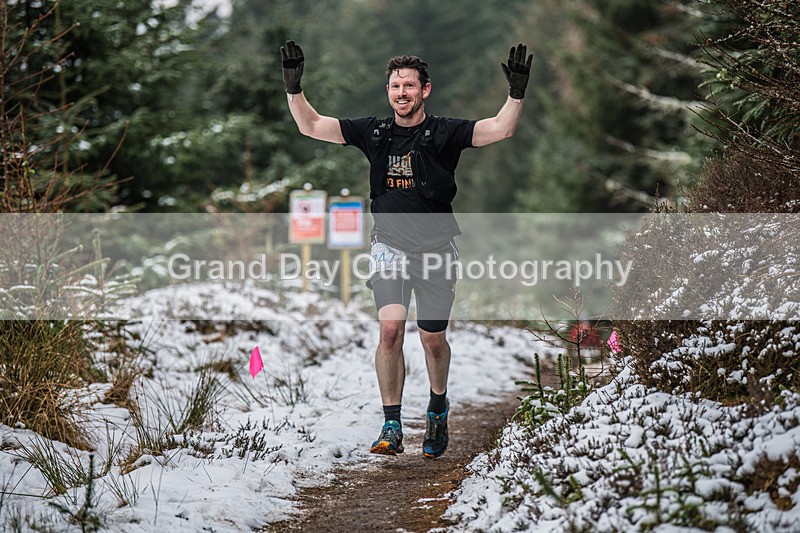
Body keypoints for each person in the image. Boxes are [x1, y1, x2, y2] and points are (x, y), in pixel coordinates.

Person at [281, 40, 532, 458]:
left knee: (432, 339)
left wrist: (516, 94)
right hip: (389, 246)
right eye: (395, 85)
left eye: (409, 86)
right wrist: (294, 88)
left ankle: (437, 406)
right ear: (389, 91)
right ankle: (392, 422)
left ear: (425, 90)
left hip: (436, 249)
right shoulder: (373, 132)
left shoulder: (445, 132)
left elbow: (500, 129)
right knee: (391, 329)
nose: (402, 92)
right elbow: (311, 125)